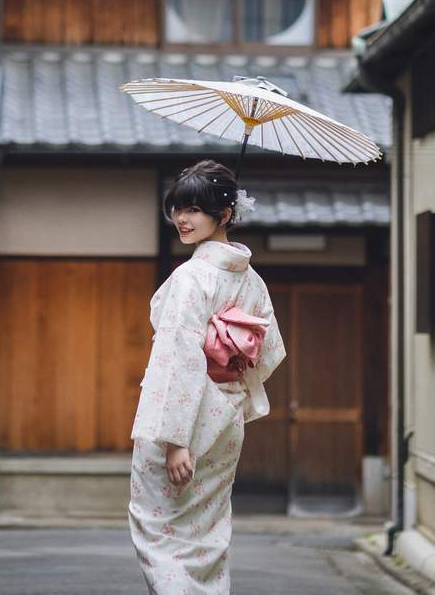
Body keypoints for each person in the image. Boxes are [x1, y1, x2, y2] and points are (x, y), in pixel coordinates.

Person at [127, 159, 287, 594]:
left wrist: (176, 439)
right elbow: (269, 352)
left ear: (225, 214)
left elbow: (178, 357)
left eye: (195, 209)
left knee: (159, 528)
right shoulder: (252, 281)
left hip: (182, 422)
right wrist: (229, 372)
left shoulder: (191, 277)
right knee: (207, 531)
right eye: (178, 208)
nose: (182, 218)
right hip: (227, 417)